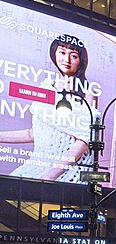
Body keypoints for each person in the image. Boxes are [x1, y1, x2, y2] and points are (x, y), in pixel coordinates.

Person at [0, 35, 97, 183]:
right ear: (54, 54)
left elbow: (83, 141)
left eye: (74, 55)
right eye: (62, 52)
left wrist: (51, 175)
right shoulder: (46, 87)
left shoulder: (88, 92)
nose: (67, 60)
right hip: (38, 164)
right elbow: (36, 133)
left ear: (81, 60)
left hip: (67, 170)